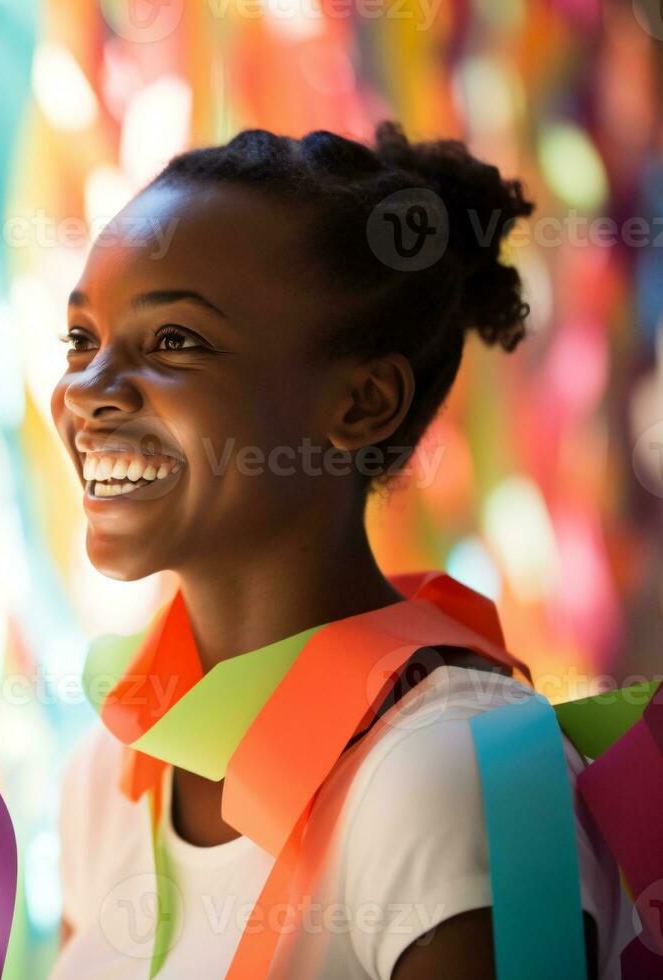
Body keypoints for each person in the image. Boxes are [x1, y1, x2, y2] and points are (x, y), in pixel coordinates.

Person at [49, 122, 635, 979]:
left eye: (174, 340)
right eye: (80, 341)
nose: (88, 392)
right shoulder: (110, 776)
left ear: (362, 404)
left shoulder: (470, 766)